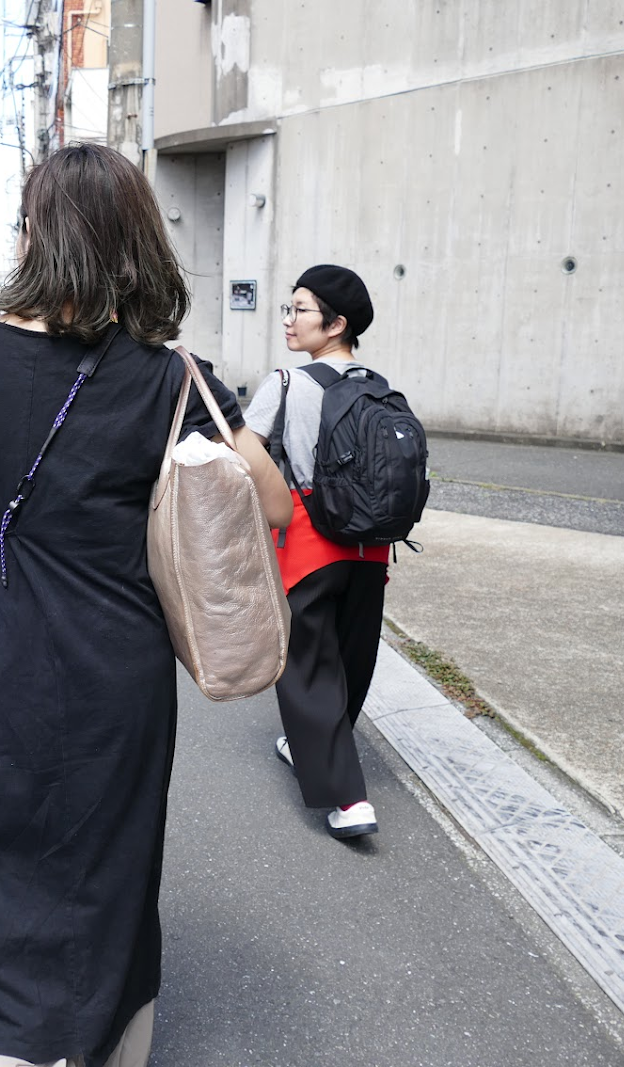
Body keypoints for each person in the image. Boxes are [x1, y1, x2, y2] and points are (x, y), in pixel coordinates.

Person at [0, 143, 291, 1067]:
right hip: (121, 670)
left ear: (32, 236)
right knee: (112, 860)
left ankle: (12, 1047)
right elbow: (267, 502)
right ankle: (106, 1037)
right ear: (132, 244)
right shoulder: (165, 378)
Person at [241, 265, 392, 840]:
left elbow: (248, 454)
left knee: (306, 667)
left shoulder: (285, 383)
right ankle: (305, 745)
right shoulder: (378, 386)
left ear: (336, 324)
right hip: (370, 549)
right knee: (350, 662)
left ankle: (347, 799)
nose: (289, 319)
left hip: (308, 543)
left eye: (300, 309)